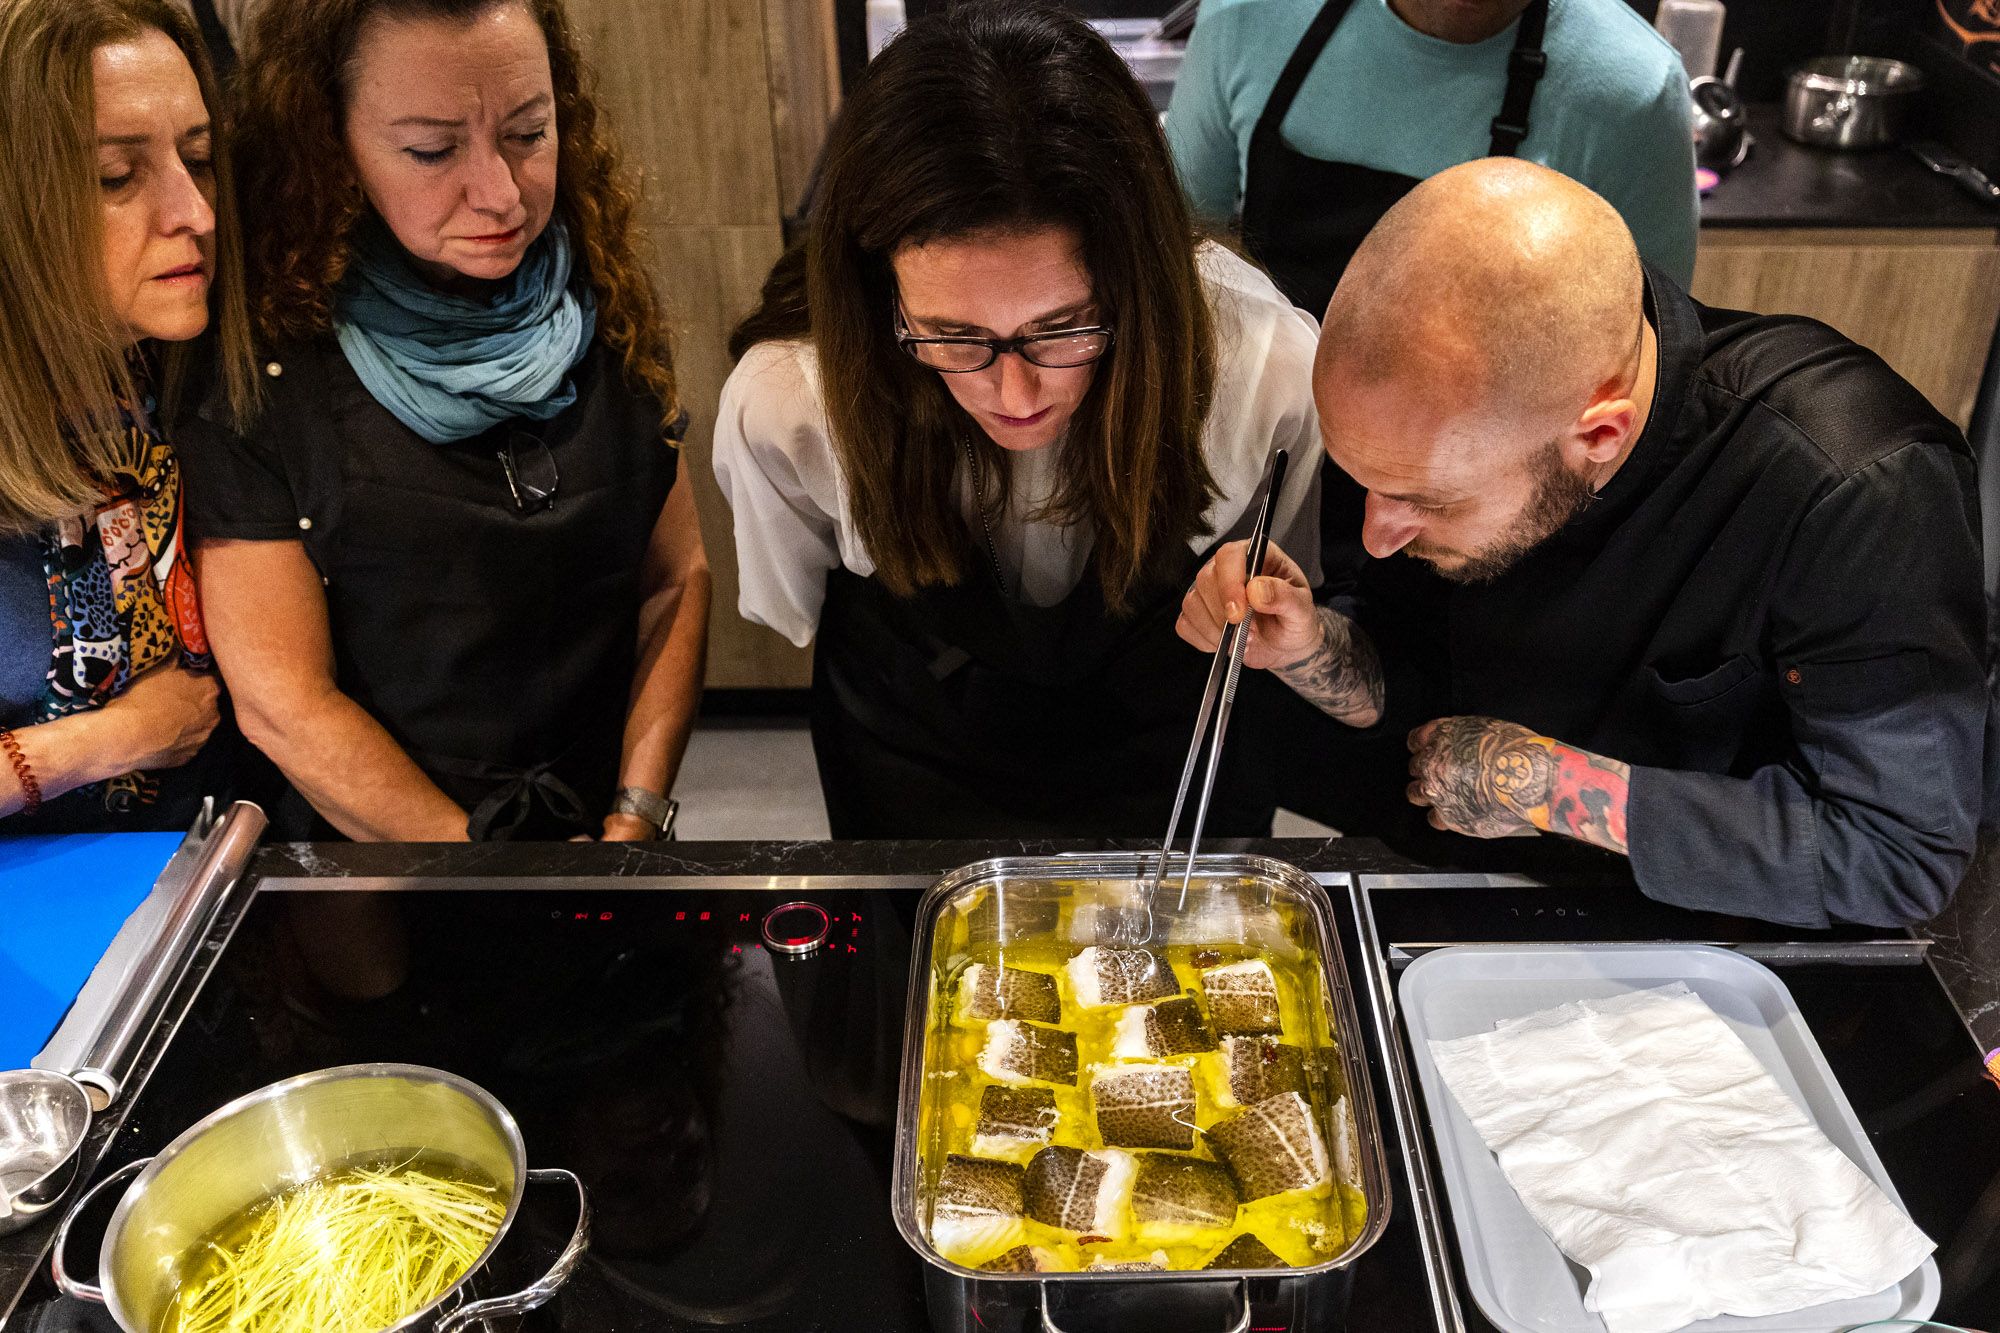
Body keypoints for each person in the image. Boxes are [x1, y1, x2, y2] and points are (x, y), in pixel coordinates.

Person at [1181, 159, 1986, 929]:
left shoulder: (1853, 487)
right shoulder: (1455, 428)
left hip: (1722, 963)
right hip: (1470, 903)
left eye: (1422, 501)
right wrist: (1307, 643)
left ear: (1599, 433)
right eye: (1371, 483)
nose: (1377, 538)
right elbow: (1415, 668)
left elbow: (1894, 853)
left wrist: (1547, 785)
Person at [714, 2, 1322, 839]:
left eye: (1062, 327)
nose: (1016, 393)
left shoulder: (1264, 370)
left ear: (1134, 280)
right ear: (880, 291)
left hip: (1169, 755)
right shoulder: (792, 399)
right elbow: (799, 598)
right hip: (911, 756)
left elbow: (1289, 586)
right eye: (955, 336)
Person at [181, 0, 710, 842]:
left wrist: (635, 816)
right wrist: (491, 871)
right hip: (385, 885)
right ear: (330, 145)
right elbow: (287, 704)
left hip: (607, 846)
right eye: (431, 150)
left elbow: (675, 580)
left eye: (529, 134)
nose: (500, 194)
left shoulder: (598, 290)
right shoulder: (263, 361)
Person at [0, 0, 254, 831]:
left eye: (201, 158)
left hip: (205, 889)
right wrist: (116, 738)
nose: (197, 214)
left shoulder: (194, 371)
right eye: (118, 176)